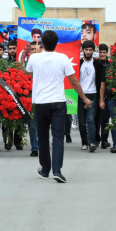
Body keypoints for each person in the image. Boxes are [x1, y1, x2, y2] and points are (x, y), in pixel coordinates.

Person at [28, 30, 91, 183]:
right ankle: (57, 170)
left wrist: (37, 54)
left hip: (41, 103)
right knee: (58, 138)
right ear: (57, 43)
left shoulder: (34, 58)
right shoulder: (63, 58)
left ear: (42, 43)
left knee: (42, 138)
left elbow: (28, 71)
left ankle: (45, 169)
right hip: (58, 103)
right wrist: (84, 99)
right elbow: (74, 81)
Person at [77, 40, 105, 152]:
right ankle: (84, 142)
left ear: (93, 51)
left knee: (91, 120)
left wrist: (100, 98)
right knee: (82, 121)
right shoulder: (78, 63)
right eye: (86, 49)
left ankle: (92, 142)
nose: (88, 52)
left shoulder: (98, 64)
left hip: (93, 94)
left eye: (90, 50)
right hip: (80, 94)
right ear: (82, 50)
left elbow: (102, 82)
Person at [97, 43, 112, 149]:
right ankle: (96, 139)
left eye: (104, 52)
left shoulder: (110, 64)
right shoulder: (95, 63)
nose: (102, 54)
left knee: (105, 119)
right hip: (94, 93)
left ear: (107, 53)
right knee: (95, 118)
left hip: (105, 94)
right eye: (100, 52)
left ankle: (104, 140)